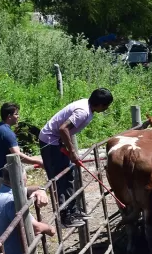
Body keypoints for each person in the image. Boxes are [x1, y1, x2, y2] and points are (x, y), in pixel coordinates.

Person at [39, 89, 113, 228]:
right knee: (59, 179)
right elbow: (63, 129)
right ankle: (64, 216)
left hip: (57, 141)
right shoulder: (83, 112)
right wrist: (72, 151)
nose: (106, 109)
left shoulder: (87, 106)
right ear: (100, 104)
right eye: (106, 106)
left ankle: (72, 210)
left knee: (68, 175)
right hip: (50, 143)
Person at [0, 104, 43, 183]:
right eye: (16, 114)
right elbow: (17, 155)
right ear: (9, 116)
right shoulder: (7, 133)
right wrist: (38, 162)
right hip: (6, 177)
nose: (18, 116)